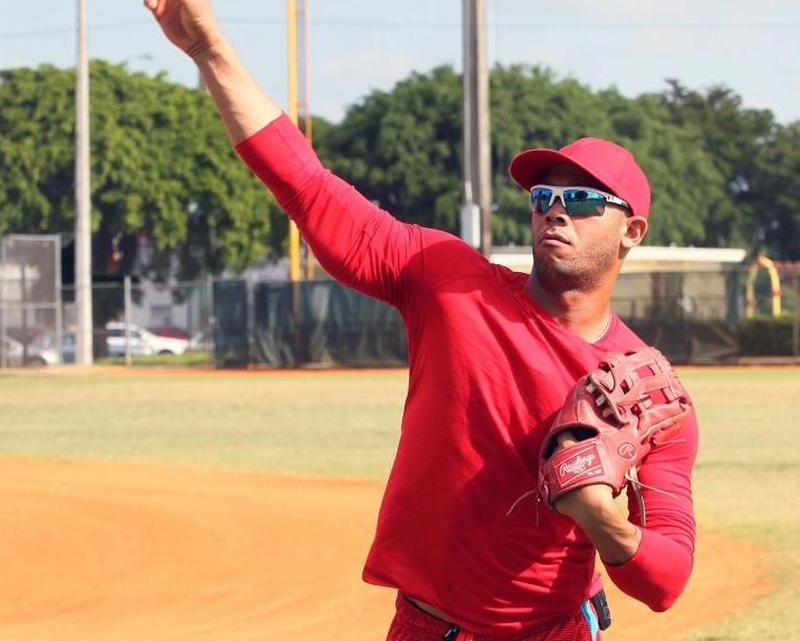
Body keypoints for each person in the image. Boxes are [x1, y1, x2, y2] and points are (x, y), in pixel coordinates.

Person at [144, 2, 698, 639]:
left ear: (631, 231)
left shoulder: (650, 394)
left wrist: (604, 519)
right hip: (429, 628)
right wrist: (210, 51)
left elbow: (667, 581)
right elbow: (308, 186)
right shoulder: (450, 281)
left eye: (579, 199)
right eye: (543, 197)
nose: (553, 211)